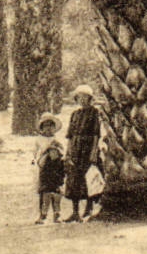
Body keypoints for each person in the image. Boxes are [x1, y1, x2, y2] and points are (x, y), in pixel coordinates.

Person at [62, 84, 102, 222]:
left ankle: (89, 208)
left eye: (85, 97)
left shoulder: (94, 113)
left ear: (90, 98)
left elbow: (96, 134)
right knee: (74, 180)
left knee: (89, 179)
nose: (82, 99)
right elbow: (70, 135)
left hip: (87, 149)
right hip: (75, 149)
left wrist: (93, 152)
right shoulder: (75, 114)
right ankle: (75, 212)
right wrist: (68, 152)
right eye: (79, 97)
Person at [33, 113, 66, 223]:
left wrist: (58, 149)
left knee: (56, 191)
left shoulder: (57, 139)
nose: (48, 129)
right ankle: (43, 214)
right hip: (45, 169)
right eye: (45, 126)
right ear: (41, 128)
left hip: (56, 168)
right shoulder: (39, 140)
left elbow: (63, 152)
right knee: (44, 191)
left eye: (51, 126)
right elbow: (36, 155)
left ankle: (57, 213)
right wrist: (47, 149)